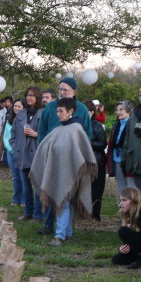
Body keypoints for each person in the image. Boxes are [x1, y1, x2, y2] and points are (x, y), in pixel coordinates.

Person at [29, 97, 96, 247]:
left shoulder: (76, 129)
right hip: (58, 170)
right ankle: (67, 233)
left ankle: (59, 236)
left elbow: (81, 154)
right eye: (57, 111)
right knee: (63, 203)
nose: (58, 114)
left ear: (70, 111)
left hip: (70, 173)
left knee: (63, 201)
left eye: (61, 111)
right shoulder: (60, 128)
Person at [10, 87, 44, 221]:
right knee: (26, 185)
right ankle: (27, 211)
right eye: (27, 95)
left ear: (38, 97)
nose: (29, 98)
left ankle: (38, 213)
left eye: (32, 96)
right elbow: (13, 134)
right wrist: (15, 147)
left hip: (36, 155)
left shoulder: (43, 113)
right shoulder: (21, 114)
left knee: (38, 187)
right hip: (22, 155)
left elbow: (49, 134)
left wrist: (36, 134)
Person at [106, 100, 133, 200]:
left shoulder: (133, 124)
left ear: (129, 111)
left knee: (131, 187)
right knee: (120, 186)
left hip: (129, 161)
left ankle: (133, 211)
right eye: (117, 110)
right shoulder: (116, 125)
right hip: (117, 160)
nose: (118, 112)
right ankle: (122, 210)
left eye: (121, 109)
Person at [88, 101, 109, 220]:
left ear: (91, 112)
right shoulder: (78, 124)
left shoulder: (97, 126)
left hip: (97, 161)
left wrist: (89, 143)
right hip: (82, 162)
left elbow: (103, 143)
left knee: (96, 189)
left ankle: (95, 215)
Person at [5, 98, 25, 205]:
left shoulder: (26, 120)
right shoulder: (10, 120)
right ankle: (16, 199)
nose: (16, 108)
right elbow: (6, 137)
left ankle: (24, 200)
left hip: (22, 152)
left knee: (23, 177)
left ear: (24, 108)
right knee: (16, 177)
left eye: (19, 106)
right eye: (15, 106)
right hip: (11, 152)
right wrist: (11, 148)